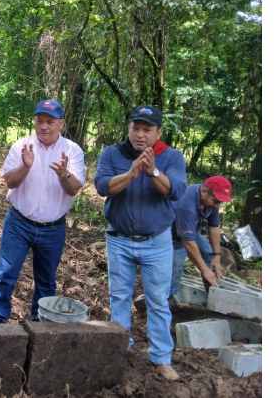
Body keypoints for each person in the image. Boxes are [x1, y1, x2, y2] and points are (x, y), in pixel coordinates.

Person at [94, 105, 187, 381]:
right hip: (119, 240)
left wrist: (153, 171)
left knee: (158, 300)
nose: (140, 134)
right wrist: (131, 174)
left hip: (157, 242)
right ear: (129, 128)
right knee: (119, 297)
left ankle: (161, 359)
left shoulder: (172, 157)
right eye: (136, 128)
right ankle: (119, 350)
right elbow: (102, 186)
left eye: (148, 129)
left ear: (158, 132)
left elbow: (175, 191)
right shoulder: (112, 153)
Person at [0, 99, 86, 323]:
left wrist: (64, 175)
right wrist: (25, 166)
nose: (44, 126)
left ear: (61, 123)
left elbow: (74, 188)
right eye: (40, 121)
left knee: (46, 280)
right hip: (19, 223)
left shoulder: (72, 150)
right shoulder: (22, 146)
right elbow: (10, 182)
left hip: (53, 228)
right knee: (5, 274)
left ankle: (41, 326)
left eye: (50, 121)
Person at [169, 176, 233, 298]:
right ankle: (168, 300)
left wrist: (217, 256)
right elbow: (188, 242)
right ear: (204, 192)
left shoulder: (211, 201)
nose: (217, 205)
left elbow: (214, 227)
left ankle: (212, 294)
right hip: (172, 236)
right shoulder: (186, 205)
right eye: (216, 201)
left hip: (190, 231)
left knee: (209, 255)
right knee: (175, 270)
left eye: (220, 202)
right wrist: (204, 270)